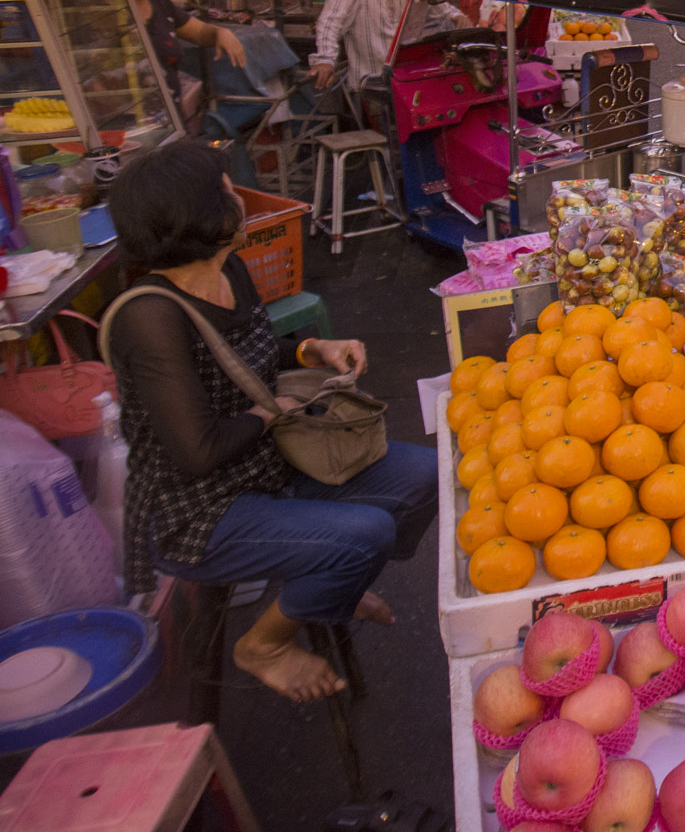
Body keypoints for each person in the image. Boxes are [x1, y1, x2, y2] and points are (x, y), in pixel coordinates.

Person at [102, 139, 435, 703]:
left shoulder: (229, 266)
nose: (238, 196)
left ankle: (333, 584)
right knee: (366, 533)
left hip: (269, 466)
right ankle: (263, 645)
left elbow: (254, 352)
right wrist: (269, 412)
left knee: (427, 473)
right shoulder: (149, 315)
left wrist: (312, 350)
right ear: (202, 216)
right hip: (199, 509)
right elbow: (196, 453)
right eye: (226, 189)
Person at [115, 0, 247, 126]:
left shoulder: (160, 5)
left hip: (168, 120)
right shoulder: (101, 13)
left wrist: (220, 32)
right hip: (123, 123)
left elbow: (200, 32)